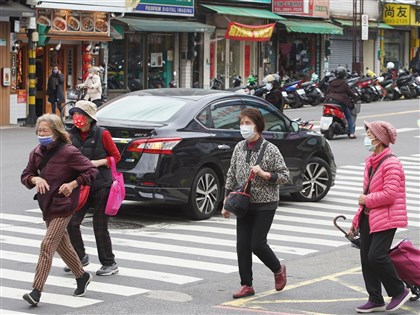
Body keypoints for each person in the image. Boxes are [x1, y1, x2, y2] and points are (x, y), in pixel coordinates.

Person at [21, 113, 98, 306]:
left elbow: (91, 170)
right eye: (39, 130)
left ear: (55, 132)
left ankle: (36, 291)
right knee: (62, 245)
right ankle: (81, 276)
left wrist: (73, 184)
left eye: (45, 130)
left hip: (64, 205)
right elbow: (26, 175)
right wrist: (35, 179)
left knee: (47, 245)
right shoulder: (37, 152)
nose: (41, 133)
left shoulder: (69, 152)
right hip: (47, 205)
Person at [222, 108, 290, 299]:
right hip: (243, 203)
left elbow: (284, 175)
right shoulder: (239, 148)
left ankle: (278, 269)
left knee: (257, 243)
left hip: (265, 203)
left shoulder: (270, 149)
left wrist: (265, 174)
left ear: (258, 125)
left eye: (248, 123)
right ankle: (246, 285)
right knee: (242, 245)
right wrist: (226, 201)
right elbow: (231, 174)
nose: (244, 127)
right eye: (242, 123)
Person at [348, 121, 410, 313]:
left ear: (379, 138)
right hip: (369, 215)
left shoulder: (391, 163)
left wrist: (366, 199)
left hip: (387, 217)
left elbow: (390, 194)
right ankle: (375, 298)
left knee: (376, 256)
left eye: (369, 134)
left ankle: (399, 291)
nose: (366, 137)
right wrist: (356, 221)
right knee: (366, 257)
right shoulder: (372, 161)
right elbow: (366, 194)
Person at [66, 100, 121, 276]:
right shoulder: (69, 135)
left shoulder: (102, 134)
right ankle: (80, 256)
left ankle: (109, 262)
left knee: (99, 225)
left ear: (90, 118)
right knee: (72, 222)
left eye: (80, 115)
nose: (77, 118)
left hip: (101, 185)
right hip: (81, 184)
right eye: (74, 114)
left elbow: (116, 156)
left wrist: (97, 162)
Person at [325, 66, 359, 139]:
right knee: (349, 116)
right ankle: (351, 133)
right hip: (340, 102)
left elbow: (327, 92)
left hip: (329, 101)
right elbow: (349, 92)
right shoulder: (344, 83)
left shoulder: (331, 83)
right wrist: (355, 97)